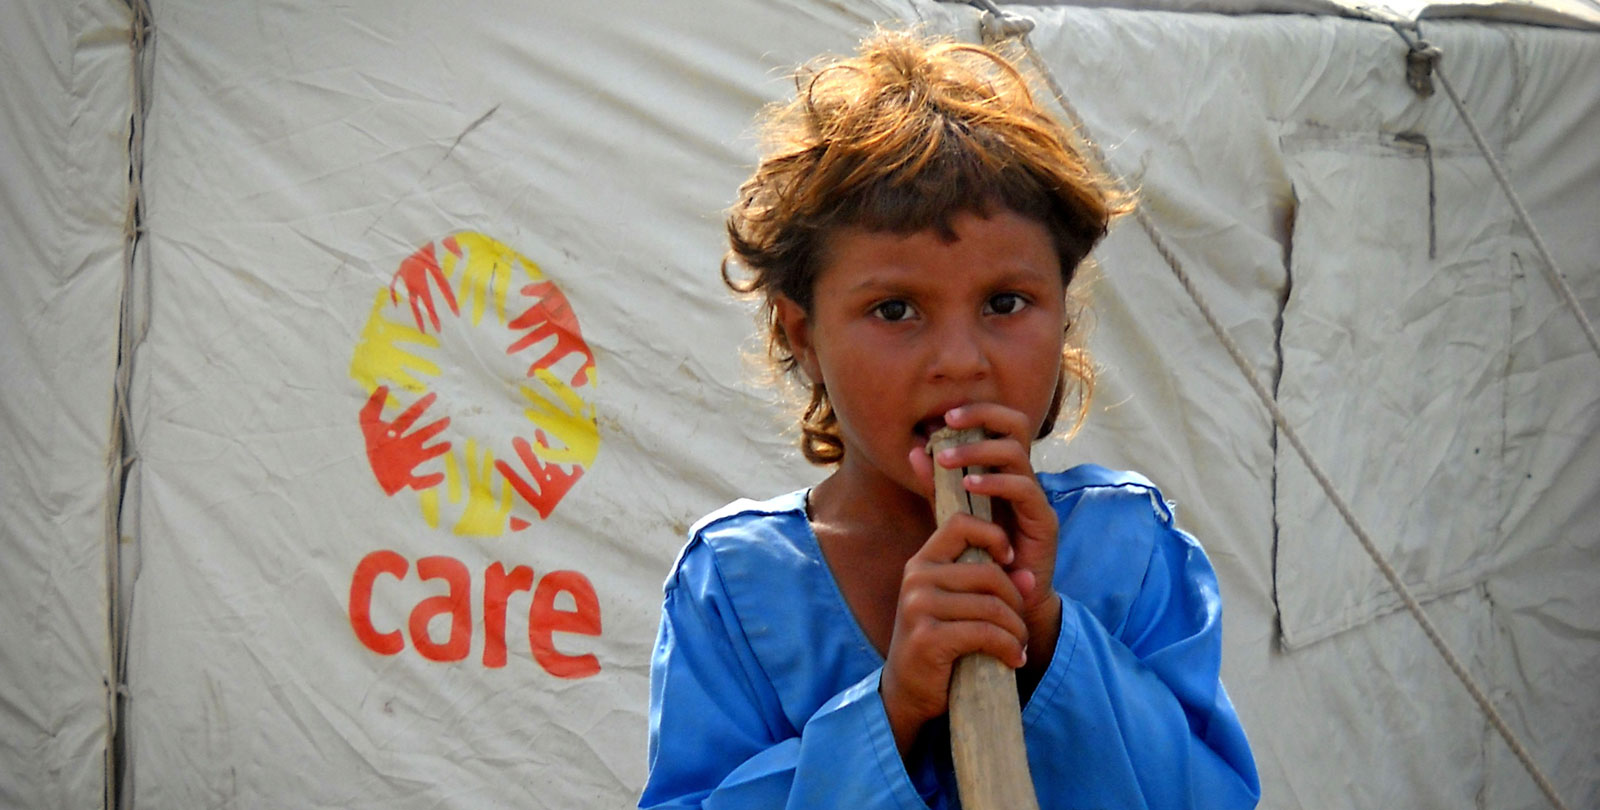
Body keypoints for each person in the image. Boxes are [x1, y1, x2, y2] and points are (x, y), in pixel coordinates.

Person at [640, 28, 1260, 809]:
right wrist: (893, 707)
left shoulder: (1130, 551)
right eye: (895, 310)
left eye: (1006, 303)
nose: (962, 361)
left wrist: (1047, 634)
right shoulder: (734, 588)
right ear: (804, 336)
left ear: (1064, 316)